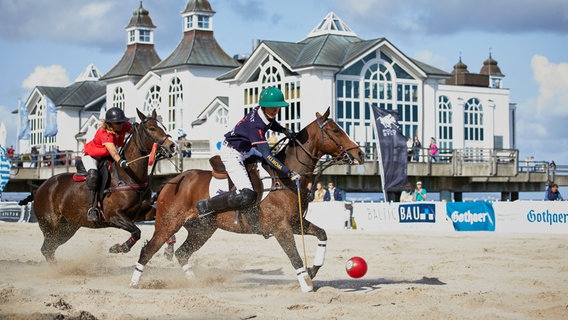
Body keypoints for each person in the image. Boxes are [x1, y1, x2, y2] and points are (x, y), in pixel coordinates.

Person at [196, 86, 298, 216]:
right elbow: (268, 157)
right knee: (246, 194)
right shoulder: (255, 126)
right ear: (264, 106)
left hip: (247, 150)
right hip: (232, 153)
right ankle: (206, 206)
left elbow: (271, 123)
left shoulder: (263, 112)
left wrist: (284, 130)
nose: (275, 110)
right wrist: (287, 171)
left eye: (278, 106)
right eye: (273, 107)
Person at [82, 107, 132, 221]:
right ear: (110, 123)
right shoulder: (104, 133)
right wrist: (121, 161)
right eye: (117, 123)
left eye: (122, 122)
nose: (121, 125)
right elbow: (114, 152)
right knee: (93, 176)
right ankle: (92, 209)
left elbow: (135, 129)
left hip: (107, 156)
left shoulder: (124, 125)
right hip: (92, 156)